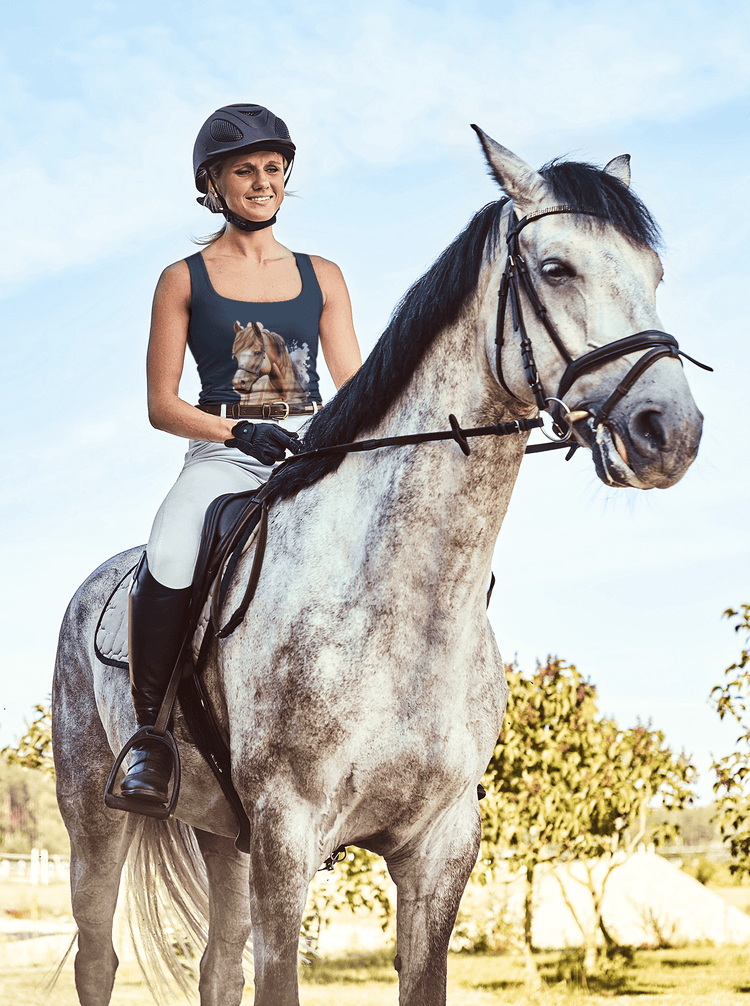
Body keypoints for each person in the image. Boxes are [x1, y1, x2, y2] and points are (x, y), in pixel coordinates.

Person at [116, 103, 362, 808]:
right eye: (245, 171)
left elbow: (359, 385)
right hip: (223, 453)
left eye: (273, 170)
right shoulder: (183, 278)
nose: (262, 182)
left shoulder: (324, 275)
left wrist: (339, 438)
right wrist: (236, 433)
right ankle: (149, 738)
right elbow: (161, 404)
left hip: (312, 446)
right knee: (168, 548)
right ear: (214, 185)